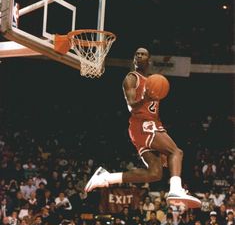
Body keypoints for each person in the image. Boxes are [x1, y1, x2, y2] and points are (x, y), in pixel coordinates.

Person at [84, 47, 201, 210]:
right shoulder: (132, 78)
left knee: (155, 173)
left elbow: (154, 113)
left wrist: (161, 147)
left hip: (148, 125)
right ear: (134, 59)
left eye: (143, 54)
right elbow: (132, 106)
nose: (139, 55)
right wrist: (145, 98)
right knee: (176, 152)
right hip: (141, 124)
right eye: (137, 54)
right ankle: (175, 189)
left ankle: (107, 178)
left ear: (149, 59)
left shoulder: (153, 81)